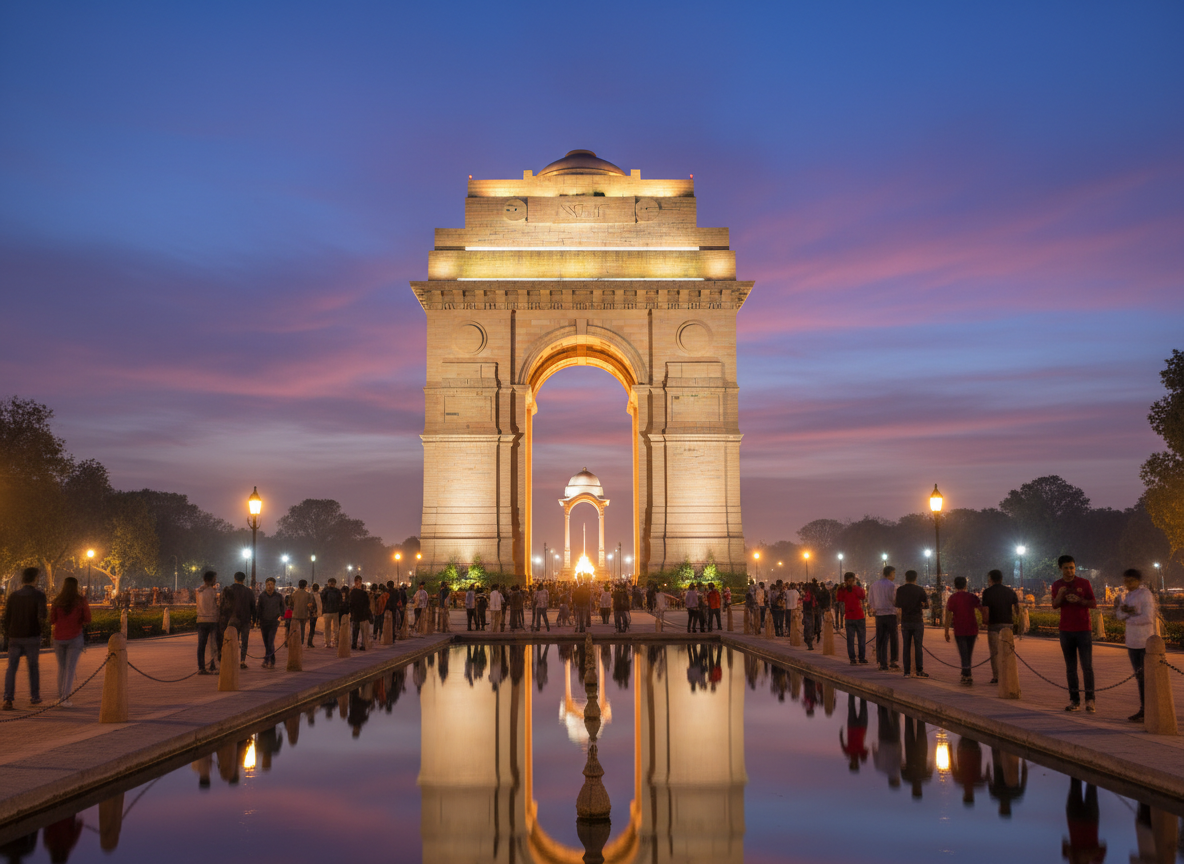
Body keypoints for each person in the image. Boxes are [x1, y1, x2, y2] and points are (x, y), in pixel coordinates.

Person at [1051, 554, 1097, 712]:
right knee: (1071, 668)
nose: (1070, 571)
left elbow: (1093, 603)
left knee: (1087, 667)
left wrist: (1080, 601)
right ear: (1060, 569)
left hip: (1083, 629)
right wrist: (1060, 595)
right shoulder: (1057, 585)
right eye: (1066, 568)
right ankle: (1074, 700)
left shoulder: (1084, 583)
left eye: (1072, 567)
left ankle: (1090, 700)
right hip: (1066, 630)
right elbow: (1055, 605)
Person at [1114, 568, 1156, 722]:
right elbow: (1119, 614)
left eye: (1131, 581)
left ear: (1138, 581)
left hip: (1145, 642)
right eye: (1126, 581)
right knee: (1140, 678)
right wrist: (1127, 612)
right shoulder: (1127, 595)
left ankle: (1151, 708)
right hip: (1131, 642)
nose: (1128, 584)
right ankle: (1144, 708)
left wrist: (1130, 616)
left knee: (1148, 678)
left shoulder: (1145, 594)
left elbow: (1148, 617)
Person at [3, 568, 47, 710]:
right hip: (32, 635)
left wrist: (8, 633)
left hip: (15, 636)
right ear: (35, 579)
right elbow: (42, 616)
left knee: (11, 668)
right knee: (33, 667)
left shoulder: (13, 596)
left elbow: (6, 617)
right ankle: (35, 696)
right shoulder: (39, 595)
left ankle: (8, 698)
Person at [48, 576, 91, 706]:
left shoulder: (57, 601)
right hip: (75, 637)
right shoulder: (80, 601)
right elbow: (88, 618)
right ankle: (65, 698)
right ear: (76, 586)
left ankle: (61, 695)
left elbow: (52, 620)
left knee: (61, 668)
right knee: (70, 669)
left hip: (59, 638)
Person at [981, 569, 1019, 685]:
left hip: (993, 624)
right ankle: (1007, 674)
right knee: (1007, 651)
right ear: (1001, 579)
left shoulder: (987, 592)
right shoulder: (1010, 591)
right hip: (1008, 624)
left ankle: (996, 676)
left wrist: (984, 622)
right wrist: (1016, 619)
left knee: (995, 652)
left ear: (991, 579)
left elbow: (986, 609)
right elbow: (1017, 608)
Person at [944, 576, 981, 685]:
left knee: (963, 652)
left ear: (955, 586)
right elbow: (981, 608)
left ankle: (966, 674)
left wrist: (946, 631)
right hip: (972, 628)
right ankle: (966, 672)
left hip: (959, 629)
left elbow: (948, 615)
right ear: (966, 585)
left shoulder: (953, 598)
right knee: (968, 652)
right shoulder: (972, 597)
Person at [893, 570, 929, 678]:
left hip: (905, 620)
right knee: (918, 646)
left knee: (906, 646)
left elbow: (897, 605)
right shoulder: (920, 590)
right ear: (915, 578)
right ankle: (919, 670)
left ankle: (907, 671)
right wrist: (920, 606)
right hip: (917, 620)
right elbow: (926, 605)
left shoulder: (900, 590)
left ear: (906, 578)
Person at [869, 566, 899, 671]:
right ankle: (893, 660)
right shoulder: (892, 586)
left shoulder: (874, 585)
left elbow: (870, 600)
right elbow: (895, 600)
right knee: (893, 638)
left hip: (879, 615)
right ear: (891, 573)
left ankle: (882, 662)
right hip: (891, 614)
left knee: (881, 639)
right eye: (894, 573)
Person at [836, 573, 868, 665]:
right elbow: (863, 596)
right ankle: (861, 658)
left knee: (850, 639)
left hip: (849, 617)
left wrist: (841, 588)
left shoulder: (842, 590)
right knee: (861, 638)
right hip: (859, 616)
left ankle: (852, 659)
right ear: (854, 580)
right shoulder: (857, 589)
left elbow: (839, 599)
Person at [226, 571, 256, 669]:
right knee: (244, 641)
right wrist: (254, 620)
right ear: (244, 579)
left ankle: (231, 659)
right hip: (245, 619)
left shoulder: (228, 590)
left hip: (232, 619)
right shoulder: (248, 591)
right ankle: (242, 661)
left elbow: (223, 606)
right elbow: (253, 607)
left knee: (232, 640)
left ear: (234, 578)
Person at [256, 578, 285, 668]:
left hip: (274, 622)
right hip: (264, 621)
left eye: (271, 584)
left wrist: (281, 617)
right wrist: (257, 620)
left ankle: (267, 660)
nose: (269, 586)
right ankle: (271, 659)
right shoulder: (262, 596)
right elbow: (259, 609)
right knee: (266, 642)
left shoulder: (278, 596)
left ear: (274, 585)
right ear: (265, 585)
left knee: (270, 641)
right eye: (268, 584)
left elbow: (283, 608)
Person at [195, 570, 218, 674]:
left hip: (201, 620)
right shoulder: (213, 592)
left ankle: (201, 667)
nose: (216, 580)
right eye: (215, 578)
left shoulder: (198, 591)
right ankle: (212, 665)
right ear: (211, 579)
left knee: (201, 645)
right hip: (212, 620)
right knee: (213, 644)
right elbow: (216, 606)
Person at [349, 575, 373, 649]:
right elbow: (367, 604)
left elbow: (350, 604)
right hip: (361, 614)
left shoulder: (353, 593)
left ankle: (355, 644)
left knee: (356, 630)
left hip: (357, 614)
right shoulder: (363, 593)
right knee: (361, 631)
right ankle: (361, 644)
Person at [321, 578, 342, 648]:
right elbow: (340, 601)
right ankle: (335, 641)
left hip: (327, 611)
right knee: (335, 628)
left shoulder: (325, 591)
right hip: (335, 611)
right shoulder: (337, 591)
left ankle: (327, 642)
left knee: (327, 628)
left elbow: (322, 600)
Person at [289, 580, 312, 645]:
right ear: (305, 585)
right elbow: (310, 605)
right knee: (302, 628)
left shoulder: (294, 594)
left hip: (295, 614)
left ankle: (295, 641)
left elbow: (290, 604)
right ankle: (301, 642)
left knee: (295, 629)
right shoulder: (308, 595)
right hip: (304, 614)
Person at [308, 582, 322, 648]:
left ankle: (310, 642)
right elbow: (311, 605)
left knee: (312, 628)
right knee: (312, 628)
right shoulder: (315, 595)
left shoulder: (315, 594)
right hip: (313, 614)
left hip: (314, 613)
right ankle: (309, 642)